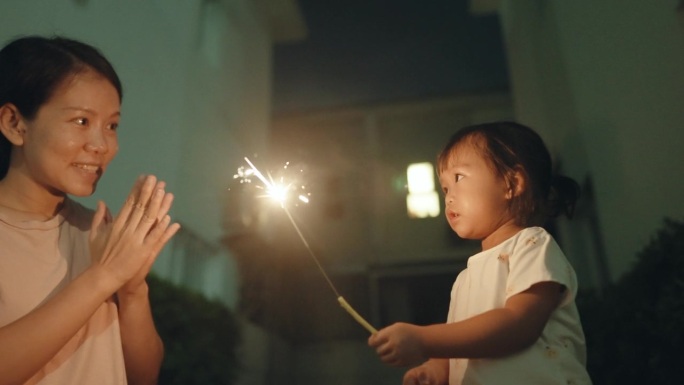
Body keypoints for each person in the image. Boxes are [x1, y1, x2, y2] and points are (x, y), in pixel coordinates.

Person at [0, 35, 180, 385]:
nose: (101, 145)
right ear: (14, 123)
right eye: (81, 121)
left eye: (111, 126)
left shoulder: (97, 231)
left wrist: (132, 289)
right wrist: (105, 276)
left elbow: (144, 376)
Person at [368, 121, 592, 385]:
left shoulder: (532, 244)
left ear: (512, 183)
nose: (449, 196)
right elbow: (463, 342)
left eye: (459, 178)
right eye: (445, 188)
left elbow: (519, 324)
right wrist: (435, 370)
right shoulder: (465, 279)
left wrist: (424, 340)